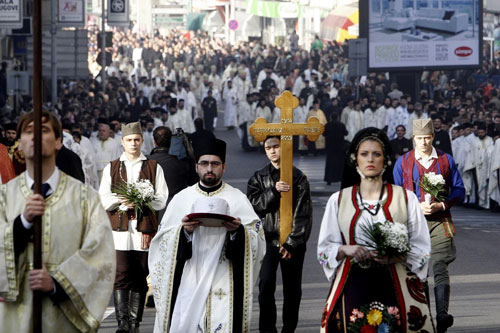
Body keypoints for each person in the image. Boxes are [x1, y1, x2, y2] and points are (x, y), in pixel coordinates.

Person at [0, 111, 116, 331]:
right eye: (27, 131)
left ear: (59, 142)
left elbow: (100, 254)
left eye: (43, 130)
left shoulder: (85, 199)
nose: (34, 136)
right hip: (15, 317)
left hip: (64, 317)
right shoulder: (4, 197)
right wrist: (22, 223)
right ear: (19, 145)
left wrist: (57, 284)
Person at [318, 127, 433, 332]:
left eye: (376, 154)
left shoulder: (406, 199)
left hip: (396, 284)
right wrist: (346, 249)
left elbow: (422, 246)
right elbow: (325, 247)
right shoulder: (339, 200)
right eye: (364, 154)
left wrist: (398, 256)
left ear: (386, 160)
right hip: (352, 286)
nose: (370, 159)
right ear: (355, 160)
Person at [148, 138, 266, 333]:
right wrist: (183, 232)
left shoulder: (237, 199)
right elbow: (161, 243)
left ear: (224, 167)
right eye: (204, 163)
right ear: (196, 167)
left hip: (223, 276)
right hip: (189, 276)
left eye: (215, 164)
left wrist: (238, 232)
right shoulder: (182, 199)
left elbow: (258, 240)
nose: (209, 168)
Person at [393, 119, 465, 333]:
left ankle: (442, 315)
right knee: (419, 269)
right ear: (413, 139)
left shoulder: (445, 160)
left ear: (433, 137)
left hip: (440, 220)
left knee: (440, 265)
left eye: (427, 137)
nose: (423, 142)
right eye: (419, 138)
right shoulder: (403, 162)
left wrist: (441, 204)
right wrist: (415, 205)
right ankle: (424, 316)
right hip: (413, 224)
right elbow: (396, 195)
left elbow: (459, 190)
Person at [99, 121, 168, 332]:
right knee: (121, 274)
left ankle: (135, 322)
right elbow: (102, 197)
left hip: (143, 229)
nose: (133, 143)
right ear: (122, 142)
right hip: (119, 230)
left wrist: (143, 199)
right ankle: (122, 323)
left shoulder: (153, 166)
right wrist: (121, 201)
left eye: (137, 140)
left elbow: (162, 197)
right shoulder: (112, 167)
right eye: (129, 140)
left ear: (142, 141)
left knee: (139, 274)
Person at [247, 136, 313, 333]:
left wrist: (292, 242)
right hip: (267, 239)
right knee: (266, 284)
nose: (273, 151)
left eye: (276, 146)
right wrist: (273, 192)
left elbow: (304, 213)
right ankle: (267, 329)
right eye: (269, 147)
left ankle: (288, 329)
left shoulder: (298, 177)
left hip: (292, 241)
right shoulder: (259, 177)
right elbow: (252, 206)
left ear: (284, 147)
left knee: (292, 289)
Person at [148, 126, 198, 205]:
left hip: (153, 209)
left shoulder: (145, 163)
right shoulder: (182, 162)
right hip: (177, 206)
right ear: (171, 141)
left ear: (154, 142)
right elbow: (194, 182)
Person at [323, 112, 348, 185]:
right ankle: (340, 178)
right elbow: (346, 133)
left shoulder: (327, 125)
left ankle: (329, 180)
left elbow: (324, 133)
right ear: (338, 118)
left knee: (330, 163)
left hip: (330, 148)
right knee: (340, 164)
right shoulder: (341, 125)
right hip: (340, 148)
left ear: (330, 118)